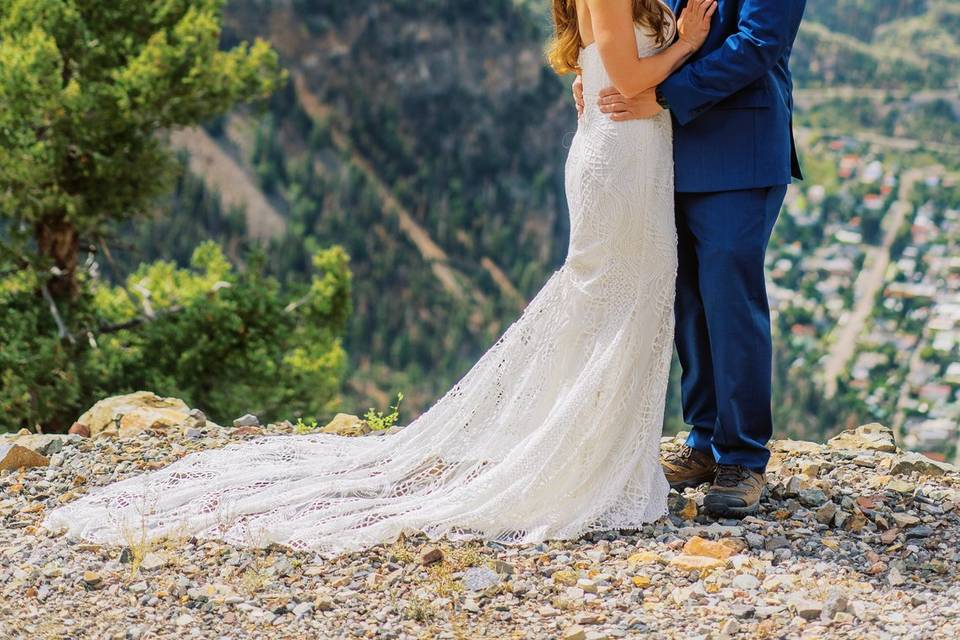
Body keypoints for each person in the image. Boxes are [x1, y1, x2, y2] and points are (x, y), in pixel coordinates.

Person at [42, 0, 715, 554]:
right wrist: (684, 43)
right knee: (609, 305)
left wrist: (634, 66)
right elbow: (627, 80)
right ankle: (584, 462)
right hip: (619, 163)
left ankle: (600, 456)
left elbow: (608, 68)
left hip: (635, 158)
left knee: (631, 303)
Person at [574, 0, 806, 517]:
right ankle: (704, 442)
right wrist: (600, 73)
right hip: (662, 146)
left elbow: (759, 44)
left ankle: (743, 458)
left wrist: (662, 95)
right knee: (687, 302)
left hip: (737, 150)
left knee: (730, 302)